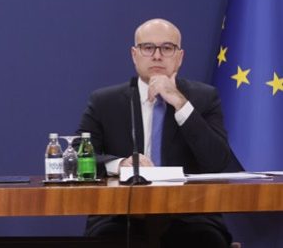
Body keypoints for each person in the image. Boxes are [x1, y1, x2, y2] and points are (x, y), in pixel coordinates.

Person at [78, 18, 241, 248]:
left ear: (179, 57)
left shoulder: (204, 97)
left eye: (167, 48)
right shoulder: (105, 101)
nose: (157, 56)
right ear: (134, 55)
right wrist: (120, 164)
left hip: (190, 215)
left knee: (204, 240)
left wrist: (180, 103)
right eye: (148, 47)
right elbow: (78, 156)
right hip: (120, 214)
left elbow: (217, 161)